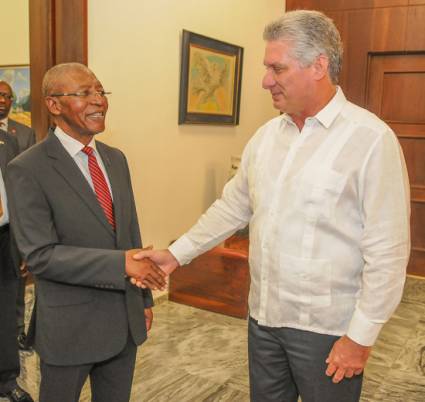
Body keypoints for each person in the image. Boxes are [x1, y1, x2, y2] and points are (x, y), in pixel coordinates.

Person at [133, 10, 411, 402]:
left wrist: (360, 337)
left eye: (276, 68)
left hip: (328, 330)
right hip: (263, 319)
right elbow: (232, 207)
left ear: (319, 66)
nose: (266, 81)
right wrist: (176, 255)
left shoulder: (371, 140)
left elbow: (388, 253)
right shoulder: (265, 138)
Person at [6, 62, 166, 402]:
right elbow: (41, 256)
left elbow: (130, 234)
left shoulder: (115, 158)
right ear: (53, 104)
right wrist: (122, 264)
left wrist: (142, 299)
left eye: (100, 91)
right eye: (84, 93)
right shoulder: (27, 168)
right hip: (69, 329)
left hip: (123, 322)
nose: (98, 101)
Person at [0, 80, 36, 351]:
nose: (2, 100)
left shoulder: (22, 134)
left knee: (15, 283)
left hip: (13, 220)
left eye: (6, 96)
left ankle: (17, 333)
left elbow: (29, 182)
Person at [0, 128, 33, 402]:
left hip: (5, 237)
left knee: (6, 314)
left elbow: (18, 196)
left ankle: (7, 380)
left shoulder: (7, 141)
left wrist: (22, 244)